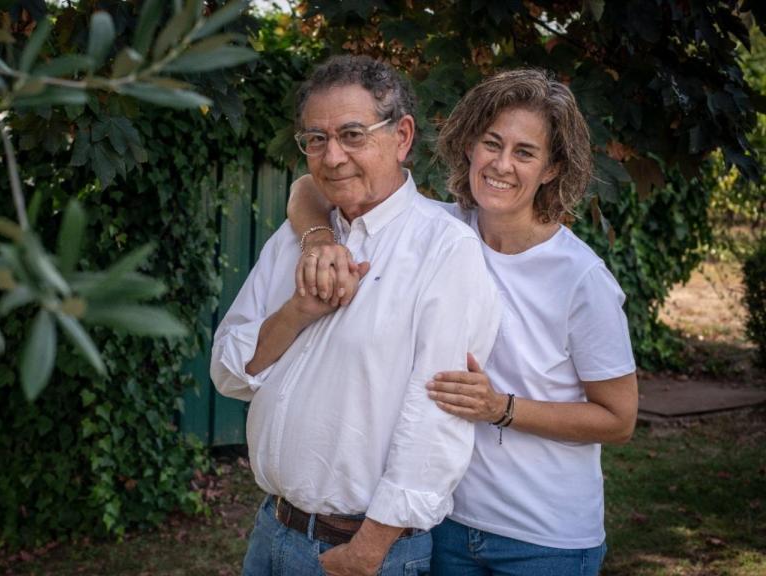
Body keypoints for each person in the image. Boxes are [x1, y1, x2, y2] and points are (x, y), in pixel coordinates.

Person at [287, 68, 639, 576]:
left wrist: (503, 408)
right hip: (445, 524)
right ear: (470, 146)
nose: (501, 164)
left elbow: (619, 419)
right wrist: (319, 241)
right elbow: (306, 187)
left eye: (525, 152)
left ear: (552, 168)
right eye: (491, 144)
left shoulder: (581, 278)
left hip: (543, 540)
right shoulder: (439, 230)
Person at [210, 55, 502, 576]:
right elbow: (230, 371)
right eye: (316, 139)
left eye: (352, 134)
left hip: (360, 551)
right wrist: (297, 311)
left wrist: (369, 550)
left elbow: (435, 419)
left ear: (402, 136)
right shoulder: (296, 239)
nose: (332, 156)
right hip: (272, 529)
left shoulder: (444, 249)